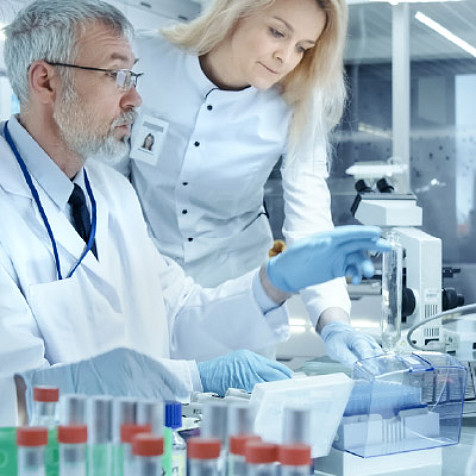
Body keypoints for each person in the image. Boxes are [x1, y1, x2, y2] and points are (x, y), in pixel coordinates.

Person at [0, 0, 389, 426]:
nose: (136, 98)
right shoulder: (34, 207)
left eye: (303, 47)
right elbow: (16, 399)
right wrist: (193, 375)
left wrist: (278, 286)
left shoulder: (110, 195)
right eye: (118, 76)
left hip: (213, 293)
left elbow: (177, 310)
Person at [123, 0, 382, 366]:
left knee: (236, 412)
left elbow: (309, 220)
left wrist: (334, 321)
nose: (285, 58)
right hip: (144, 272)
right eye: (277, 32)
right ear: (234, 11)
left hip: (239, 288)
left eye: (303, 48)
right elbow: (107, 178)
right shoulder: (146, 58)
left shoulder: (299, 98)